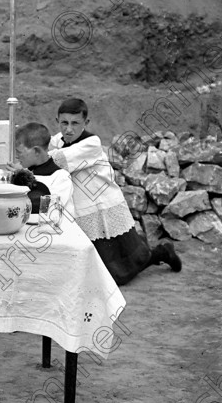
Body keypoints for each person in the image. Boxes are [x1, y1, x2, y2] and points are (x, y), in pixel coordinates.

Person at [49, 98, 181, 285]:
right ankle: (145, 245)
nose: (69, 129)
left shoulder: (91, 144)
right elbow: (47, 143)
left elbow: (57, 160)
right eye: (64, 123)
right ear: (57, 122)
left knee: (118, 274)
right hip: (86, 212)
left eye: (75, 123)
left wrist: (35, 155)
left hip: (105, 207)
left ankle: (162, 251)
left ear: (86, 123)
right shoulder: (59, 140)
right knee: (104, 268)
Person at [10, 122, 75, 217]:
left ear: (36, 151)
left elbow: (48, 210)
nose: (16, 156)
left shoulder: (60, 178)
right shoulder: (26, 174)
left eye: (19, 152)